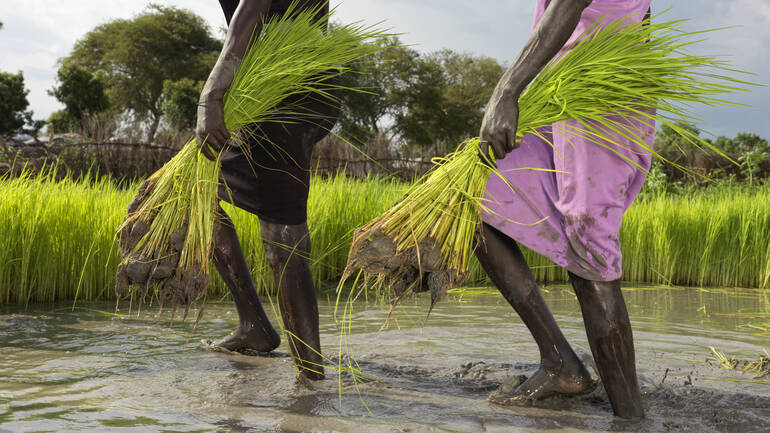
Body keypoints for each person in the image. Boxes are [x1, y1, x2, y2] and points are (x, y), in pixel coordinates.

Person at [476, 0, 653, 419]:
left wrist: (506, 91)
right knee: (476, 196)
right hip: (562, 88)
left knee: (589, 240)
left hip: (601, 85)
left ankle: (631, 420)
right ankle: (560, 363)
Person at [196, 0, 338, 380]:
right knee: (195, 195)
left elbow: (255, 7)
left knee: (282, 233)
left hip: (289, 86)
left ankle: (310, 377)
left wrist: (212, 93)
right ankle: (254, 328)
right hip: (273, 82)